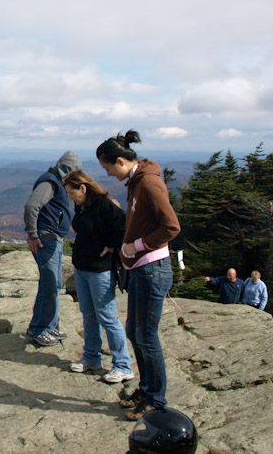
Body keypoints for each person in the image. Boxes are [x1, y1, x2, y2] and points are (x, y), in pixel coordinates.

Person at [96, 130, 180, 421]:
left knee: (145, 336)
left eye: (108, 167)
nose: (107, 174)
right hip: (141, 268)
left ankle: (156, 400)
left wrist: (136, 246)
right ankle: (146, 390)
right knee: (135, 332)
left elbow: (171, 227)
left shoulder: (149, 183)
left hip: (151, 269)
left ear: (120, 160)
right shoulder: (137, 181)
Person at [63, 170, 134, 384]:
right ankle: (91, 358)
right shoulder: (82, 205)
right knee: (88, 314)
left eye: (71, 192)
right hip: (82, 266)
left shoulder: (104, 205)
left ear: (83, 188)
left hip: (100, 269)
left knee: (107, 316)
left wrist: (113, 246)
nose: (70, 197)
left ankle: (123, 365)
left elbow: (124, 226)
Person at [23, 151, 82, 346]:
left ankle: (50, 326)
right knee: (50, 284)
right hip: (46, 238)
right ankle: (39, 330)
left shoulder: (56, 181)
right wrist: (33, 234)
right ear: (68, 169)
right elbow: (32, 206)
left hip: (52, 238)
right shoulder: (50, 182)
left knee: (54, 284)